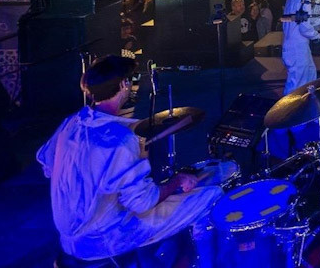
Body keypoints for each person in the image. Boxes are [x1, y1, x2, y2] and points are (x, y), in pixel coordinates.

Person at [36, 56, 230, 263]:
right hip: (105, 237)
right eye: (132, 79)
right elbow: (143, 202)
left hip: (68, 237)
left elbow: (46, 163)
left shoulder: (71, 123)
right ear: (123, 85)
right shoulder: (119, 139)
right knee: (212, 196)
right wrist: (177, 181)